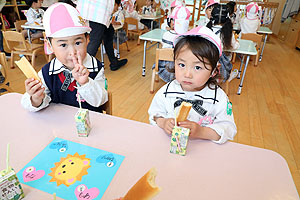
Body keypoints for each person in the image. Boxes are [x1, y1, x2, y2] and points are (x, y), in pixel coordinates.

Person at [148, 26, 237, 144]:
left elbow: (228, 129)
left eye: (197, 67)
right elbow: (154, 115)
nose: (187, 74)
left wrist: (202, 132)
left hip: (204, 151)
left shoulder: (219, 98)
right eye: (182, 65)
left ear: (214, 71)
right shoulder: (166, 91)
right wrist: (163, 122)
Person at [21, 3, 108, 112]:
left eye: (77, 43)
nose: (72, 52)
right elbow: (27, 102)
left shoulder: (96, 68)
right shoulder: (47, 72)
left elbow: (101, 100)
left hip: (89, 125)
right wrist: (35, 98)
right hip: (57, 126)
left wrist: (86, 83)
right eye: (63, 45)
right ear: (49, 45)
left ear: (87, 40)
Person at [76, 0, 128, 71]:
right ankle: (82, 69)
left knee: (109, 34)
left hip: (101, 11)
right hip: (97, 12)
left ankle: (114, 63)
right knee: (95, 41)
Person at [154, 5, 190, 82]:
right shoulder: (186, 38)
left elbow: (163, 45)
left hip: (163, 67)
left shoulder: (166, 34)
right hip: (178, 68)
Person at [207, 4, 239, 81]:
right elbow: (235, 46)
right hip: (220, 66)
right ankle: (227, 76)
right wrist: (237, 42)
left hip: (206, 66)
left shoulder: (206, 30)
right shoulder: (227, 33)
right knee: (227, 54)